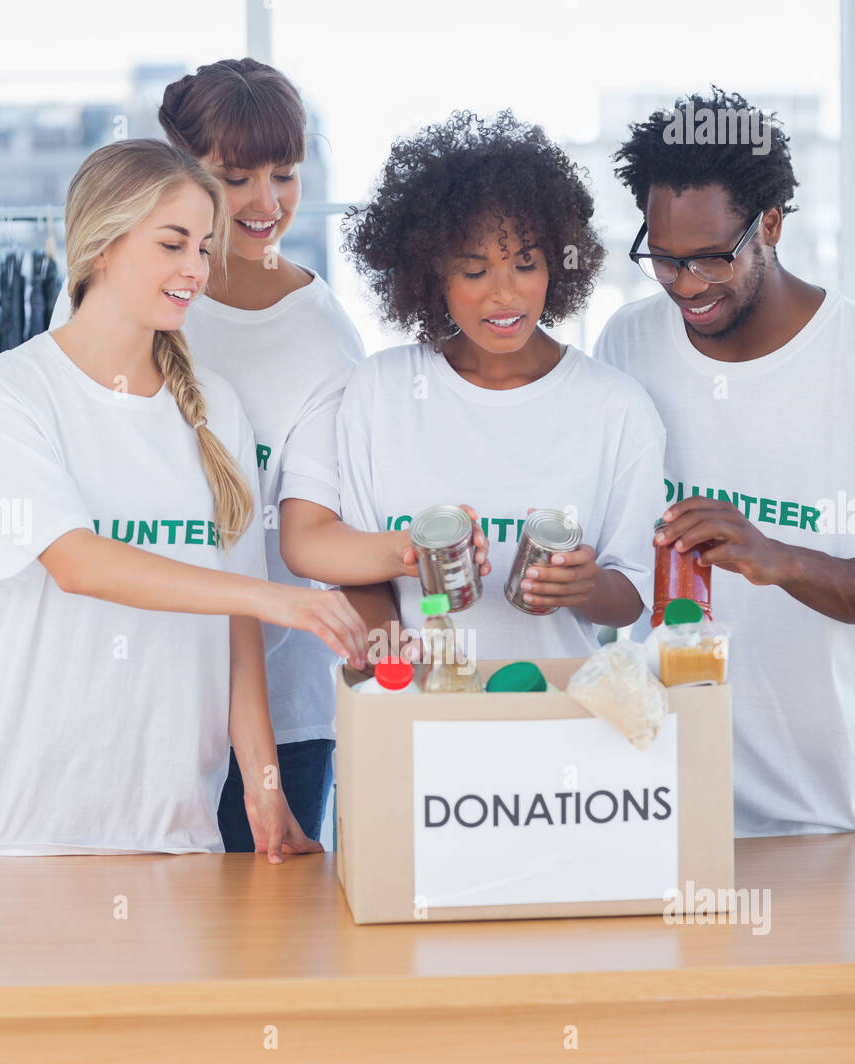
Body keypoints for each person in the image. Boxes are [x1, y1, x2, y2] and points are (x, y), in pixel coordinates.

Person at [0, 138, 367, 858]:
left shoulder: (215, 409)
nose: (196, 270)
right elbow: (78, 562)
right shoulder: (10, 396)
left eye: (203, 246)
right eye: (173, 245)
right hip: (28, 830)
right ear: (101, 245)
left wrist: (264, 791)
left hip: (179, 828)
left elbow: (238, 631)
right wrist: (276, 598)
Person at [594, 87, 855, 837]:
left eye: (711, 258)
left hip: (827, 819)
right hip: (664, 800)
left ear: (771, 223)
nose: (685, 284)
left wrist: (782, 559)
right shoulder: (628, 343)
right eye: (664, 258)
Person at [325, 110, 665, 659]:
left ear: (557, 265)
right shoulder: (380, 391)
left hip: (561, 716)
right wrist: (389, 654)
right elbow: (361, 573)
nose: (504, 294)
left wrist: (588, 587)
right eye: (475, 270)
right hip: (416, 714)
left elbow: (631, 596)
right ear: (431, 273)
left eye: (525, 264)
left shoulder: (616, 407)